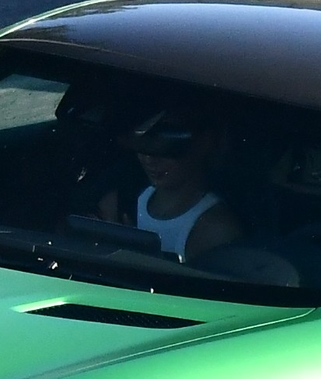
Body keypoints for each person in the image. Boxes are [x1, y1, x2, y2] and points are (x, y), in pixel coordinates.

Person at [97, 104, 244, 262]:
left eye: (166, 144)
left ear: (204, 143)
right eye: (143, 143)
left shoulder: (216, 230)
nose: (149, 158)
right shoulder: (118, 205)